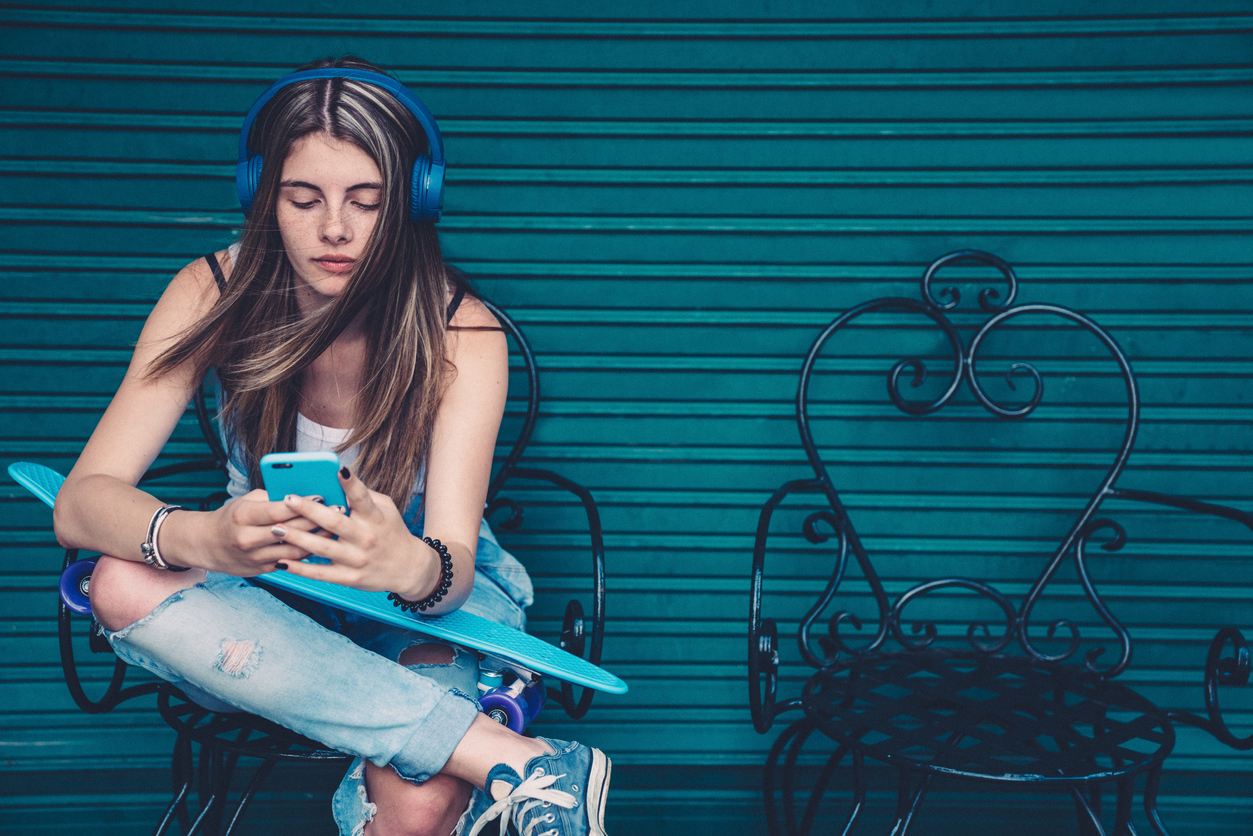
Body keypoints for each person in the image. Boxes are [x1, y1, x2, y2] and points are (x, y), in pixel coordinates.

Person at [51, 56, 611, 836]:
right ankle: (511, 758)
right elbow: (80, 504)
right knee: (117, 579)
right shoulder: (212, 291)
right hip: (263, 600)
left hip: (419, 608)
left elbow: (449, 569)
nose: (335, 230)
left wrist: (407, 565)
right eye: (303, 198)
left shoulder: (462, 330)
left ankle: (468, 749)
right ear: (262, 195)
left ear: (414, 200)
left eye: (367, 201)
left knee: (420, 801)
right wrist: (205, 537)